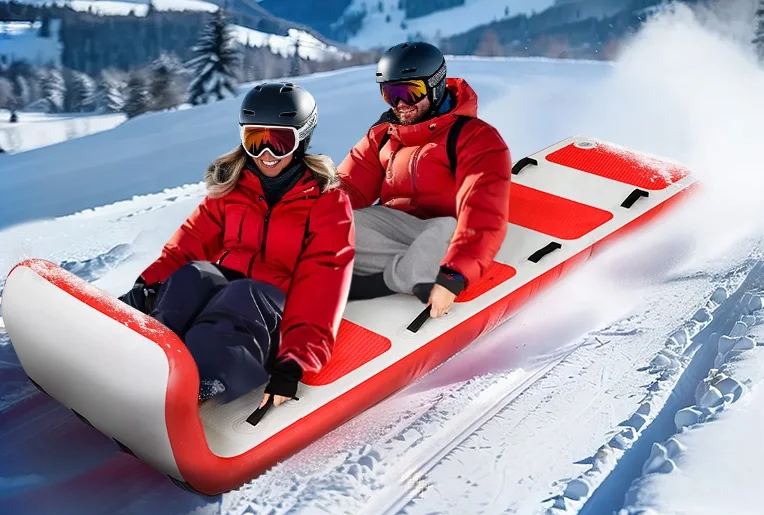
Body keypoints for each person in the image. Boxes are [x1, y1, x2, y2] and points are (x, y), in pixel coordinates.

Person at [119, 82, 355, 408]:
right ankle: (144, 353)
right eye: (255, 141)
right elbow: (191, 242)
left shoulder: (327, 202)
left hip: (275, 316)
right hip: (229, 294)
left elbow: (323, 285)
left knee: (242, 295)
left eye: (279, 142)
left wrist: (295, 362)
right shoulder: (234, 187)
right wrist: (149, 283)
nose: (266, 155)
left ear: (302, 138)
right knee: (195, 275)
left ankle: (193, 389)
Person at [338, 42, 511, 319]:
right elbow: (344, 189)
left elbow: (484, 211)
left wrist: (453, 277)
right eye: (390, 95)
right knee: (331, 220)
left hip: (449, 233)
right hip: (397, 229)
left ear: (436, 85)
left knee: (443, 228)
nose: (400, 104)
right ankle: (399, 270)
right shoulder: (383, 134)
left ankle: (383, 277)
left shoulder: (475, 137)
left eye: (410, 92)